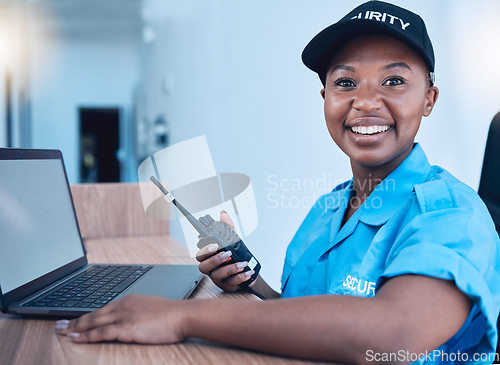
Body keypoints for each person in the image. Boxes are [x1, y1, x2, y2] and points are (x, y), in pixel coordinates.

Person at [57, 1, 500, 363]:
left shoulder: (451, 212)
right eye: (345, 81)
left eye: (394, 80)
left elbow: (393, 334)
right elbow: (302, 314)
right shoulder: (329, 207)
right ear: (325, 98)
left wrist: (180, 318)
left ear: (429, 99)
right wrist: (249, 284)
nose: (365, 101)